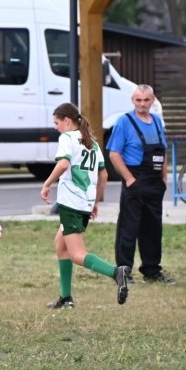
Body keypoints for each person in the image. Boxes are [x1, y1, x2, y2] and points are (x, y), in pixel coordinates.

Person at [40, 103, 130, 309]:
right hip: (84, 203)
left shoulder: (67, 138)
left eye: (56, 123)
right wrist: (96, 201)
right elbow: (103, 175)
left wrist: (46, 184)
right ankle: (66, 298)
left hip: (71, 202)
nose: (55, 127)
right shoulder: (92, 143)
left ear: (66, 121)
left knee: (77, 254)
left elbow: (63, 164)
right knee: (60, 245)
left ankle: (116, 273)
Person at [106, 84, 175, 285]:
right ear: (132, 100)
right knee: (129, 227)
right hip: (134, 178)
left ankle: (152, 270)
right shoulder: (124, 122)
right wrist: (129, 179)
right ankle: (124, 271)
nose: (142, 104)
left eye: (146, 100)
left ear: (153, 100)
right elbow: (114, 154)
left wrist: (164, 176)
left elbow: (162, 151)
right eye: (138, 100)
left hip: (154, 182)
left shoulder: (157, 121)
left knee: (153, 228)